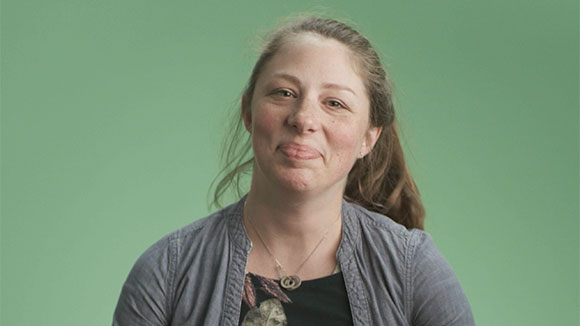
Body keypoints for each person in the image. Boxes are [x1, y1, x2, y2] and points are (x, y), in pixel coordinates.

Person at [113, 16, 475, 326]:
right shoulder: (167, 271)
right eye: (284, 93)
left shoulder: (413, 269)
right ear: (249, 113)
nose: (303, 118)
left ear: (369, 137)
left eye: (334, 103)